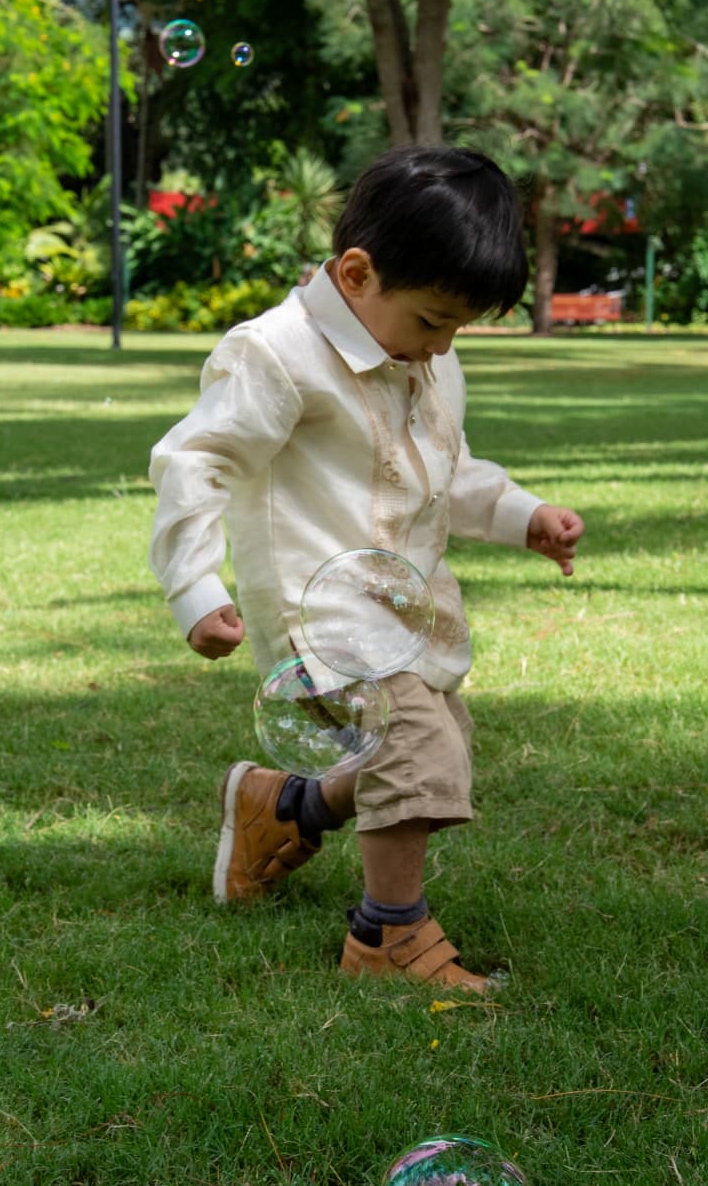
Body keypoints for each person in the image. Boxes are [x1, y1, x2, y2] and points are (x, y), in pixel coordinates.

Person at [148, 145, 585, 992]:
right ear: (356, 273)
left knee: (440, 746)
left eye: (458, 328)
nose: (443, 346)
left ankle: (285, 808)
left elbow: (442, 469)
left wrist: (521, 514)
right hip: (322, 613)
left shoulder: (424, 354)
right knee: (416, 752)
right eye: (432, 321)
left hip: (404, 607)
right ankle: (387, 936)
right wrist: (196, 588)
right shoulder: (276, 353)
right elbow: (195, 462)